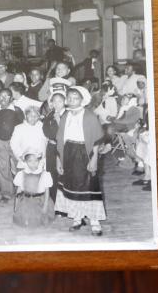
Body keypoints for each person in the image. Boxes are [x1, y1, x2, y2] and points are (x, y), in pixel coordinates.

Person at [55, 86, 108, 236]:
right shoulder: (65, 115)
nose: (71, 101)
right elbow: (60, 139)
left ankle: (94, 222)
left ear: (82, 100)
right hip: (68, 154)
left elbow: (97, 140)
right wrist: (59, 159)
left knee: (88, 186)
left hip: (85, 153)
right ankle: (77, 218)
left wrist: (94, 159)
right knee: (72, 186)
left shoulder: (89, 116)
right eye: (69, 98)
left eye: (75, 98)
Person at [12, 150, 54, 227]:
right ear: (25, 162)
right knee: (25, 218)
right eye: (30, 161)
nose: (33, 164)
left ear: (39, 161)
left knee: (40, 219)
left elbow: (47, 192)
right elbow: (18, 192)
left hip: (40, 200)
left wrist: (45, 206)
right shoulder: (22, 174)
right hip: (26, 200)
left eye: (36, 161)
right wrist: (16, 206)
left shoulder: (45, 174)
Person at [43, 91, 67, 201]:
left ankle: (64, 200)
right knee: (51, 173)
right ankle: (53, 199)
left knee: (62, 173)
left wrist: (58, 120)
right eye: (54, 101)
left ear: (65, 102)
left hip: (63, 148)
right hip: (51, 147)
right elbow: (45, 129)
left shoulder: (68, 114)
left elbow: (66, 132)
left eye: (60, 101)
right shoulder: (50, 114)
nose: (57, 104)